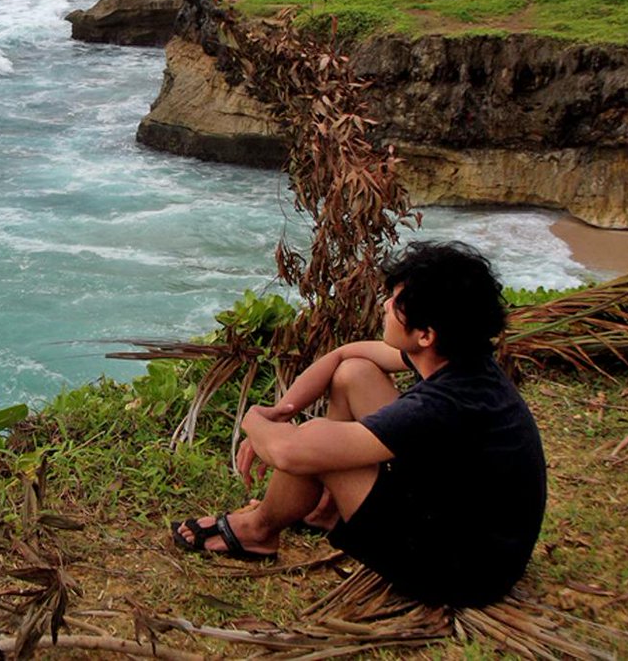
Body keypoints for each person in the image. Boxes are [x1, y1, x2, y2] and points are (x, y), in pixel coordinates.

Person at [172, 241, 546, 607]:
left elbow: (288, 452)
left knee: (317, 444)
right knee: (354, 374)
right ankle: (325, 509)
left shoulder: (442, 406)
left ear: (426, 334)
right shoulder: (459, 358)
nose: (384, 305)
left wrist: (255, 420)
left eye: (395, 303)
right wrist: (283, 411)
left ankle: (259, 531)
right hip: (467, 522)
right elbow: (344, 355)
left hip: (460, 572)